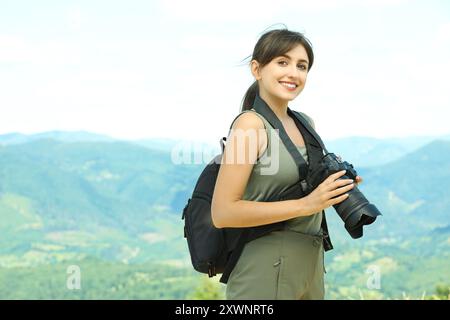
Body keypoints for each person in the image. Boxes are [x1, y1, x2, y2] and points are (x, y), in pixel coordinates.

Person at [211, 28, 362, 300]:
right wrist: (308, 204)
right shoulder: (249, 125)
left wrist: (335, 186)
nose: (293, 73)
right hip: (264, 269)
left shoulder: (305, 123)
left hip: (311, 264)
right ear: (257, 69)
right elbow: (223, 212)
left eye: (301, 66)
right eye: (282, 62)